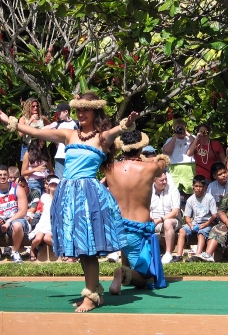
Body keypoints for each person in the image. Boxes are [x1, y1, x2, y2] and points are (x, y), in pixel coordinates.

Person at [0, 91, 137, 312]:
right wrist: (8, 120)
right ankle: (93, 290)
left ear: (95, 111)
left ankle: (91, 296)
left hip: (89, 197)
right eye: (79, 110)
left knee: (88, 247)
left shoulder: (102, 137)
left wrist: (127, 123)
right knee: (81, 248)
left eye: (86, 109)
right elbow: (35, 131)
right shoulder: (69, 135)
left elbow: (117, 131)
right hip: (68, 196)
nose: (81, 114)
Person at [106, 130, 167, 294]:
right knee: (142, 279)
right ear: (140, 148)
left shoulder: (109, 167)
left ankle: (125, 268)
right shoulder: (150, 168)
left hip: (117, 227)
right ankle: (122, 273)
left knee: (128, 251)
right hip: (137, 230)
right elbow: (163, 164)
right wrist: (151, 159)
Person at [176, 175, 217, 261]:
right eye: (196, 186)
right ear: (193, 187)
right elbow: (187, 216)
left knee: (201, 233)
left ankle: (197, 256)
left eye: (201, 186)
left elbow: (214, 215)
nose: (198, 188)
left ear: (204, 187)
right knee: (182, 231)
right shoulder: (190, 200)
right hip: (194, 223)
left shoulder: (209, 198)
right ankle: (179, 256)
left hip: (207, 223)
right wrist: (190, 225)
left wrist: (206, 224)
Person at [150, 172, 183, 264]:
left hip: (173, 220)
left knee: (167, 223)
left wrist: (160, 220)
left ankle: (168, 253)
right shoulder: (148, 191)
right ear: (154, 181)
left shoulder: (173, 190)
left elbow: (175, 212)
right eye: (161, 180)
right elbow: (144, 208)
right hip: (153, 219)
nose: (165, 182)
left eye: (166, 179)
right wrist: (150, 218)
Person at [162, 119, 196, 205]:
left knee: (190, 192)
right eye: (178, 127)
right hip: (174, 169)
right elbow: (166, 151)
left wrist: (187, 133)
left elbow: (198, 144)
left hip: (189, 168)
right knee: (174, 192)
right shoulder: (170, 139)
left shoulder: (191, 138)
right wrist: (175, 136)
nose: (180, 129)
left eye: (182, 127)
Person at [0, 165, 28, 263]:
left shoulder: (17, 188)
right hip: (1, 220)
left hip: (15, 218)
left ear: (8, 176)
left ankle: (15, 252)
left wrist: (8, 221)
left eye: (4, 175)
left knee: (17, 225)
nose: (2, 177)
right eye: (0, 175)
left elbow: (23, 211)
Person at [43, 102, 78, 179]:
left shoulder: (76, 124)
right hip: (60, 156)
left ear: (66, 112)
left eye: (59, 112)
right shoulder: (58, 124)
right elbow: (44, 129)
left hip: (73, 156)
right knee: (59, 181)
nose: (58, 115)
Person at [28, 177, 60, 261]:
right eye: (52, 184)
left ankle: (61, 249)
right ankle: (32, 250)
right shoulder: (44, 197)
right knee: (38, 238)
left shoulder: (60, 199)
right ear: (48, 186)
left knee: (47, 238)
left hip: (53, 223)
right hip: (43, 222)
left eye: (56, 184)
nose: (53, 186)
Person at [17, 98, 51, 162]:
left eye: (37, 106)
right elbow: (20, 134)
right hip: (28, 147)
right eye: (33, 106)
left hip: (41, 147)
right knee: (27, 169)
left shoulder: (42, 118)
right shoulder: (23, 119)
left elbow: (51, 127)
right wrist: (30, 121)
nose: (35, 108)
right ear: (28, 107)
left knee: (42, 167)